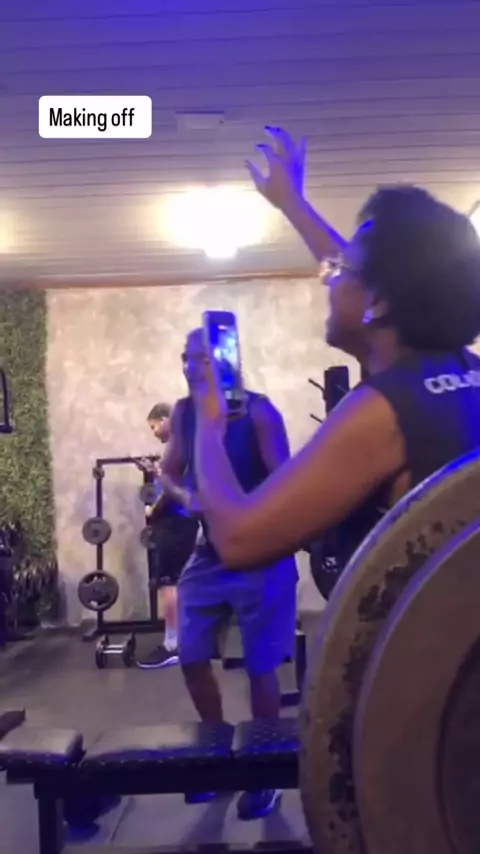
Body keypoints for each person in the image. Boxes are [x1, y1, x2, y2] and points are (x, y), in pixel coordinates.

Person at [185, 126, 480, 598]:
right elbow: (370, 275)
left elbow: (239, 539)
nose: (327, 277)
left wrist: (208, 415)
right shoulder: (463, 373)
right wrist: (293, 204)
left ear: (377, 303)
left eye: (340, 271)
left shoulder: (384, 411)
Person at [159, 330, 298, 821]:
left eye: (197, 358)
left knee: (261, 666)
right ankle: (216, 754)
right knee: (191, 654)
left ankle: (264, 771)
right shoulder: (183, 412)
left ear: (222, 360)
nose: (187, 366)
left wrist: (245, 513)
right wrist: (187, 497)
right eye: (184, 357)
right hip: (210, 554)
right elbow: (168, 471)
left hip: (262, 552)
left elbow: (286, 480)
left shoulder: (259, 413)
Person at [135, 403, 198, 669]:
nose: (153, 433)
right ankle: (182, 641)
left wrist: (153, 510)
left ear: (164, 420)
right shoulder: (184, 445)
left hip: (174, 523)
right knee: (178, 583)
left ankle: (172, 646)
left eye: (153, 427)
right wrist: (155, 472)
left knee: (168, 584)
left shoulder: (180, 446)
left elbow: (174, 490)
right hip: (181, 522)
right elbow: (175, 480)